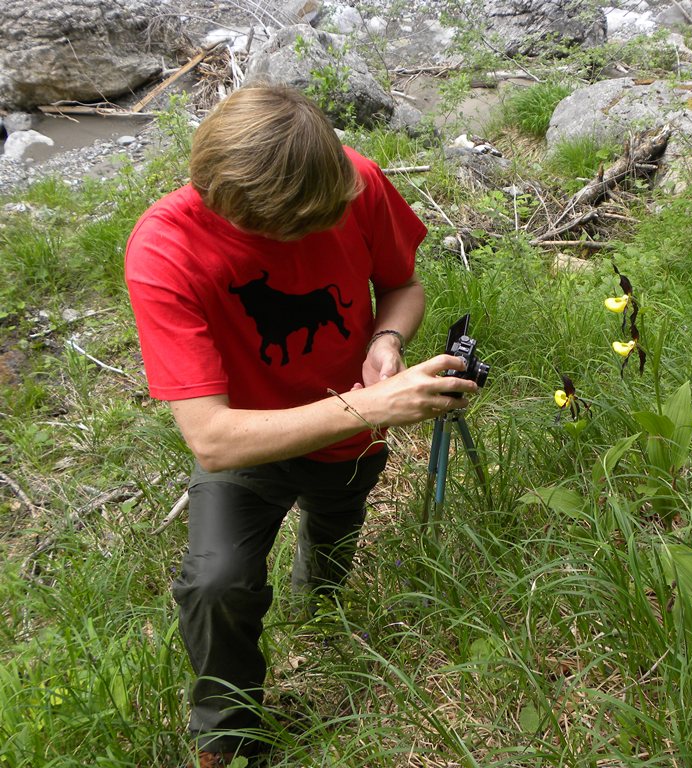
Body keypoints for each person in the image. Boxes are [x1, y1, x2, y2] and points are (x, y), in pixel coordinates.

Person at [124, 84, 477, 768]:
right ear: (238, 208)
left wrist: (386, 341)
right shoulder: (166, 250)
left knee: (336, 521)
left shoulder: (352, 181)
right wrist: (375, 406)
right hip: (251, 442)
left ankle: (320, 609)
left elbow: (402, 286)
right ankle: (229, 740)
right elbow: (212, 439)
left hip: (351, 438)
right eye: (300, 227)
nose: (320, 233)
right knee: (217, 581)